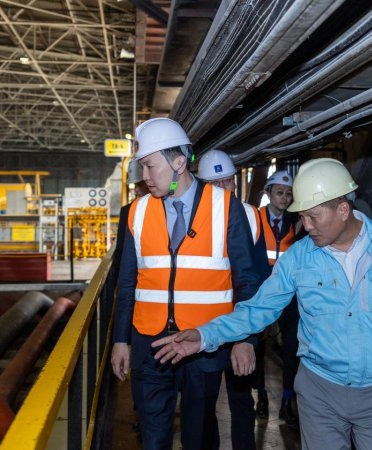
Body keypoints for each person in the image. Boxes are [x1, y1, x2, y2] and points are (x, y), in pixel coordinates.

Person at [152, 158, 372, 450]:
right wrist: (205, 335)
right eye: (303, 217)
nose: (306, 226)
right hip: (320, 394)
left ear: (343, 210)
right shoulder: (299, 257)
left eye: (313, 217)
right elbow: (257, 310)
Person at [110, 118, 262, 450]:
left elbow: (247, 281)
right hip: (149, 345)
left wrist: (245, 339)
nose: (145, 176)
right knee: (153, 439)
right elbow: (127, 282)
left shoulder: (225, 207)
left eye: (150, 166)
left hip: (204, 346)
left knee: (199, 437)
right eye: (142, 167)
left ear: (179, 162)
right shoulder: (136, 212)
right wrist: (121, 340)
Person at [198, 149, 271, 450]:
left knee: (241, 400)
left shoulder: (252, 216)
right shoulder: (192, 220)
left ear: (235, 182)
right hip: (207, 327)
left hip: (240, 324)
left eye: (227, 181)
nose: (223, 189)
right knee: (204, 403)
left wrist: (249, 335)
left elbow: (258, 277)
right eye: (214, 184)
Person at [258, 170, 301, 427]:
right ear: (268, 193)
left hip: (289, 294)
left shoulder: (298, 222)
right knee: (257, 347)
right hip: (263, 293)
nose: (284, 198)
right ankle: (261, 396)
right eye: (279, 193)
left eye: (288, 194)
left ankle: (286, 401)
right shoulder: (255, 219)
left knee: (292, 347)